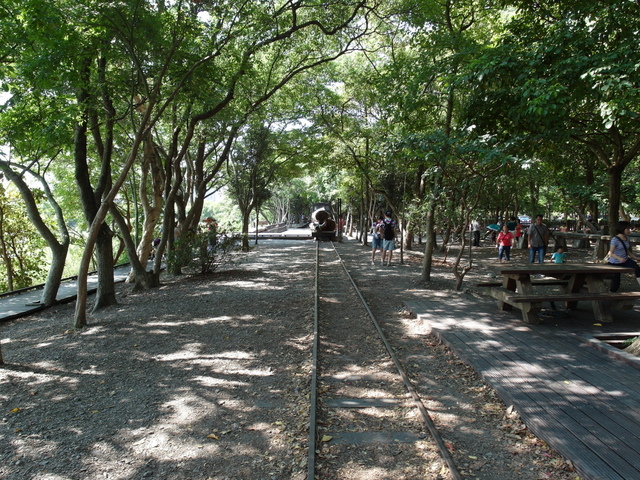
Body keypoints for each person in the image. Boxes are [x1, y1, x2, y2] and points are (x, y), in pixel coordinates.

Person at [607, 220, 640, 292]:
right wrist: (619, 258)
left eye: (629, 228)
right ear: (622, 229)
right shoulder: (615, 240)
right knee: (616, 280)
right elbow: (610, 253)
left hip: (625, 260)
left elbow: (627, 251)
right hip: (615, 262)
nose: (629, 230)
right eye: (627, 229)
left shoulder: (627, 238)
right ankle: (611, 293)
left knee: (637, 268)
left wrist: (636, 258)